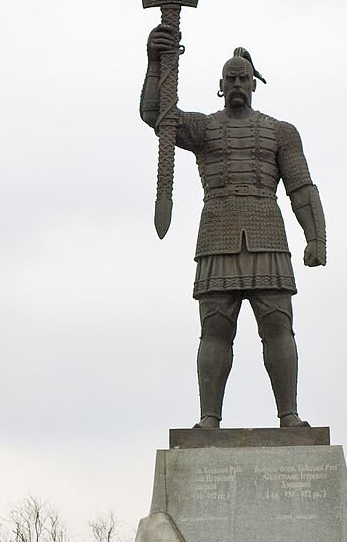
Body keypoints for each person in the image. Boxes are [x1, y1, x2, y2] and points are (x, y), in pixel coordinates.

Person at [140, 26, 326, 428]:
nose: (238, 84)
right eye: (231, 79)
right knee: (214, 328)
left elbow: (301, 188)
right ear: (221, 86)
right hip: (218, 232)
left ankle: (289, 415)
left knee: (278, 325)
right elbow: (157, 116)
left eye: (243, 78)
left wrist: (316, 237)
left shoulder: (281, 132)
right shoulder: (204, 129)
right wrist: (156, 62)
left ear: (253, 84)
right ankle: (209, 418)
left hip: (266, 231)